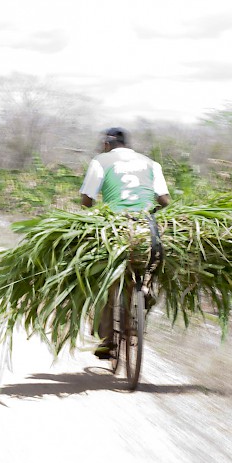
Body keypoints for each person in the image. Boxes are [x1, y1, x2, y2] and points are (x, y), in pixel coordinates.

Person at [80, 127, 170, 358]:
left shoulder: (101, 161)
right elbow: (164, 200)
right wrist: (149, 212)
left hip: (116, 228)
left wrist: (92, 216)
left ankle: (106, 339)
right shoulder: (151, 163)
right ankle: (145, 294)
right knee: (153, 262)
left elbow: (86, 200)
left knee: (104, 278)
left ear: (108, 144)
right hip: (146, 226)